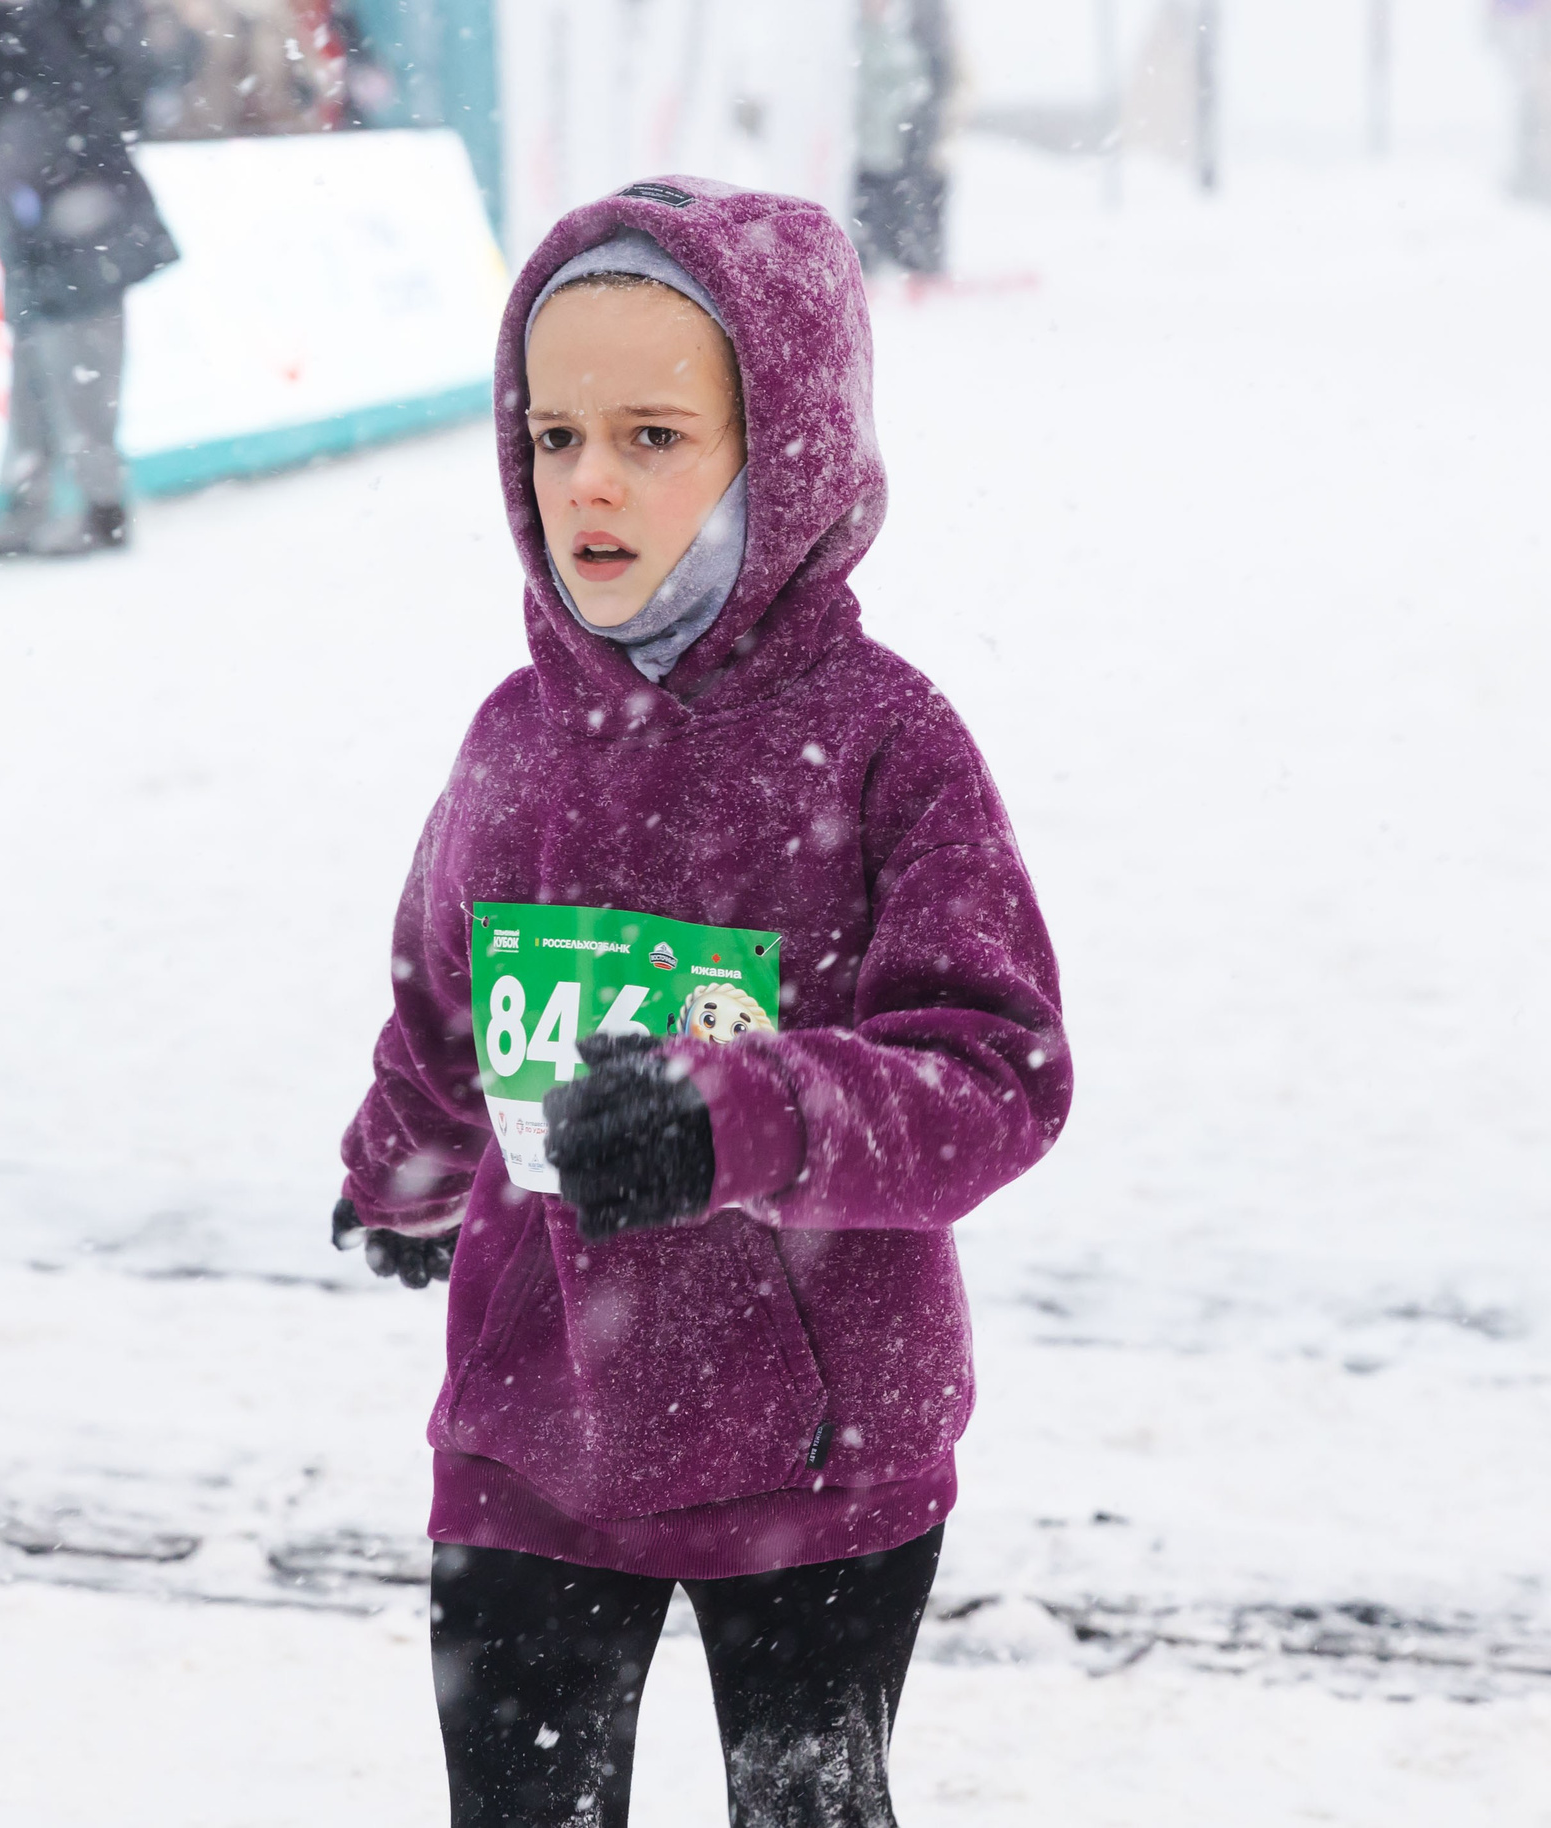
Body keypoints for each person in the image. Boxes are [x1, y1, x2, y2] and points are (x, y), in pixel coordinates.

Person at [330, 178, 1071, 1827]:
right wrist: (405, 1162)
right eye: (552, 434)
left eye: (653, 436)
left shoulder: (886, 740)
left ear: (782, 444)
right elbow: (442, 991)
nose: (588, 480)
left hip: (818, 1449)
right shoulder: (516, 736)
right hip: (537, 1425)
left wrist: (742, 1118)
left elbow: (995, 1071)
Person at [0, 0, 180, 556]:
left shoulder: (15, 23)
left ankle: (98, 507)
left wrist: (21, 173)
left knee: (78, 355)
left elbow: (66, 101)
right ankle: (36, 501)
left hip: (75, 203)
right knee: (40, 352)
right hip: (49, 207)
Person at [850, 0, 956, 276]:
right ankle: (882, 267)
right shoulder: (859, 38)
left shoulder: (899, 35)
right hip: (873, 149)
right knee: (876, 211)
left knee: (910, 204)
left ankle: (916, 266)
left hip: (900, 145)